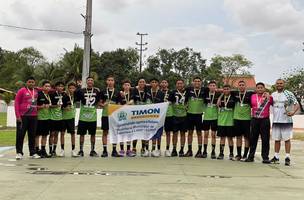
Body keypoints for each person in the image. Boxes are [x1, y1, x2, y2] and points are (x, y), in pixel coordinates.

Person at [270, 79, 300, 166]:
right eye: (278, 83)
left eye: (281, 83)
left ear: (284, 84)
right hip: (276, 120)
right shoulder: (273, 94)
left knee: (287, 139)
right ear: (275, 85)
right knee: (277, 139)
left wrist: (293, 112)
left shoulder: (288, 93)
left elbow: (296, 104)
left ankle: (287, 157)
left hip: (286, 120)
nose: (279, 85)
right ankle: (276, 157)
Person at [245, 82, 273, 164]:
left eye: (261, 87)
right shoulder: (252, 96)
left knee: (265, 139)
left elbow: (274, 104)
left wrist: (268, 95)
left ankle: (265, 157)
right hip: (255, 120)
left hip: (265, 120)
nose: (260, 89)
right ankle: (251, 157)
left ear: (264, 89)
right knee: (253, 138)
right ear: (256, 89)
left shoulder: (269, 97)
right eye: (258, 88)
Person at [15, 76, 40, 160]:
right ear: (26, 82)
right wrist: (17, 116)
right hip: (23, 116)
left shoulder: (36, 91)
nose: (31, 83)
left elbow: (47, 90)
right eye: (29, 82)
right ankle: (19, 152)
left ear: (35, 83)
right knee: (20, 135)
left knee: (32, 135)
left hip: (33, 116)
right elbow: (16, 103)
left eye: (33, 82)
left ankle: (32, 152)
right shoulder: (22, 90)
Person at [75, 77, 101, 157]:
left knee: (93, 134)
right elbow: (75, 96)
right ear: (86, 82)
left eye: (91, 80)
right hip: (83, 116)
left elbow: (100, 100)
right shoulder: (81, 90)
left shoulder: (97, 91)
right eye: (88, 80)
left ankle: (92, 150)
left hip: (92, 117)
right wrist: (78, 86)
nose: (90, 81)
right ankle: (81, 150)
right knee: (81, 134)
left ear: (93, 82)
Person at [232, 80, 254, 161]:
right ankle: (238, 155)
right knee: (238, 137)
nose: (241, 86)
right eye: (240, 85)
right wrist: (220, 98)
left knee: (247, 138)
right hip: (237, 119)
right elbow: (223, 91)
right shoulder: (234, 94)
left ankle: (245, 155)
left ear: (245, 86)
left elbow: (259, 93)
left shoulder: (250, 94)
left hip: (246, 119)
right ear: (238, 86)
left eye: (242, 85)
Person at [100, 75, 122, 157]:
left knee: (114, 133)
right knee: (105, 132)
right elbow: (99, 103)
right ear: (106, 81)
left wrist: (116, 107)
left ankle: (114, 150)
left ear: (114, 82)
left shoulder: (118, 92)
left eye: (112, 80)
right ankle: (105, 151)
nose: (110, 82)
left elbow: (119, 104)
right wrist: (103, 104)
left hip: (114, 116)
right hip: (105, 115)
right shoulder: (102, 91)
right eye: (108, 80)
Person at [185, 77, 206, 158]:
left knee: (199, 133)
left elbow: (216, 90)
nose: (197, 82)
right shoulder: (188, 90)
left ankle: (199, 151)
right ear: (193, 82)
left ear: (201, 82)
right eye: (195, 81)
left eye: (198, 81)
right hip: (190, 114)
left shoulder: (205, 90)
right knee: (190, 133)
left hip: (199, 115)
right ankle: (189, 150)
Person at [216, 85, 237, 160]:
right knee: (222, 138)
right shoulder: (220, 98)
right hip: (221, 122)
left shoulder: (233, 97)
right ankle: (221, 153)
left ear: (230, 90)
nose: (226, 90)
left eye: (227, 89)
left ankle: (231, 154)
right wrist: (219, 97)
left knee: (230, 138)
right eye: (224, 89)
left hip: (230, 122)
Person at [132, 78, 150, 157]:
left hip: (145, 116)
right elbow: (132, 100)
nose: (142, 83)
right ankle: (134, 148)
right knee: (135, 133)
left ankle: (143, 148)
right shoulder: (134, 91)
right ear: (137, 83)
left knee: (144, 133)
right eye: (140, 82)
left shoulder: (148, 91)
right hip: (136, 115)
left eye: (143, 82)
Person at [202, 81, 221, 159]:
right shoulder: (205, 94)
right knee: (206, 134)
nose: (212, 87)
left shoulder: (218, 95)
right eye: (211, 85)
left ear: (216, 87)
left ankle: (213, 151)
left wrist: (220, 97)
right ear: (208, 86)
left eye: (214, 85)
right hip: (206, 117)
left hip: (215, 117)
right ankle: (205, 151)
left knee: (213, 135)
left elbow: (225, 92)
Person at [169, 79, 188, 157]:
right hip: (175, 116)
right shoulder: (172, 92)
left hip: (184, 116)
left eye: (181, 83)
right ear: (176, 85)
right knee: (175, 133)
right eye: (178, 83)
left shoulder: (187, 92)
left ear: (183, 84)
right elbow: (169, 102)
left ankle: (182, 150)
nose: (179, 85)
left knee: (183, 133)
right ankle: (174, 149)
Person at [147, 78, 165, 157]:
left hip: (157, 116)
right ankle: (147, 149)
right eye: (152, 82)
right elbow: (136, 88)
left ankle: (154, 149)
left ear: (158, 84)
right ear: (150, 83)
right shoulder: (146, 92)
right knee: (147, 133)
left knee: (156, 132)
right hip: (147, 116)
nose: (154, 83)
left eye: (155, 82)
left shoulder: (161, 93)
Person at [118, 79, 136, 157]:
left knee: (129, 133)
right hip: (122, 116)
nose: (126, 86)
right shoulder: (119, 94)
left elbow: (132, 102)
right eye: (125, 85)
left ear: (130, 86)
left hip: (130, 116)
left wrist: (126, 105)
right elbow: (118, 104)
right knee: (122, 133)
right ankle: (122, 150)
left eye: (128, 85)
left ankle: (128, 150)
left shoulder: (132, 94)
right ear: (123, 86)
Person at [35, 80, 52, 158]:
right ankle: (37, 150)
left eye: (49, 86)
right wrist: (41, 107)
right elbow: (34, 106)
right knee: (37, 135)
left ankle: (43, 150)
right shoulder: (38, 94)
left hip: (47, 118)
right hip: (39, 118)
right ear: (42, 87)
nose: (47, 87)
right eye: (46, 86)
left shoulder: (49, 95)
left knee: (45, 135)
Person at [49, 81, 65, 157]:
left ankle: (54, 150)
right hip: (52, 117)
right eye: (59, 86)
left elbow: (65, 105)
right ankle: (50, 150)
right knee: (51, 134)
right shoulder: (52, 94)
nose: (60, 87)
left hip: (60, 118)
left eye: (62, 86)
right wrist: (55, 106)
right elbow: (49, 105)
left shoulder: (64, 94)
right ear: (56, 87)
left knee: (56, 134)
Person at [62, 82, 78, 157]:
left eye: (73, 88)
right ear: (68, 89)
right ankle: (62, 150)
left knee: (73, 134)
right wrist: (65, 108)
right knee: (62, 134)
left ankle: (73, 150)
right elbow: (60, 106)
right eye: (70, 88)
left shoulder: (76, 96)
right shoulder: (64, 96)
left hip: (71, 118)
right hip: (63, 118)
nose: (72, 89)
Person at [160, 80, 174, 157]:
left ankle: (167, 149)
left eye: (165, 82)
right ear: (160, 84)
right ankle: (157, 149)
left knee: (168, 133)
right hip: (159, 116)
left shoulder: (171, 92)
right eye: (163, 82)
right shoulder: (158, 92)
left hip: (169, 115)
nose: (164, 84)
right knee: (158, 133)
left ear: (168, 84)